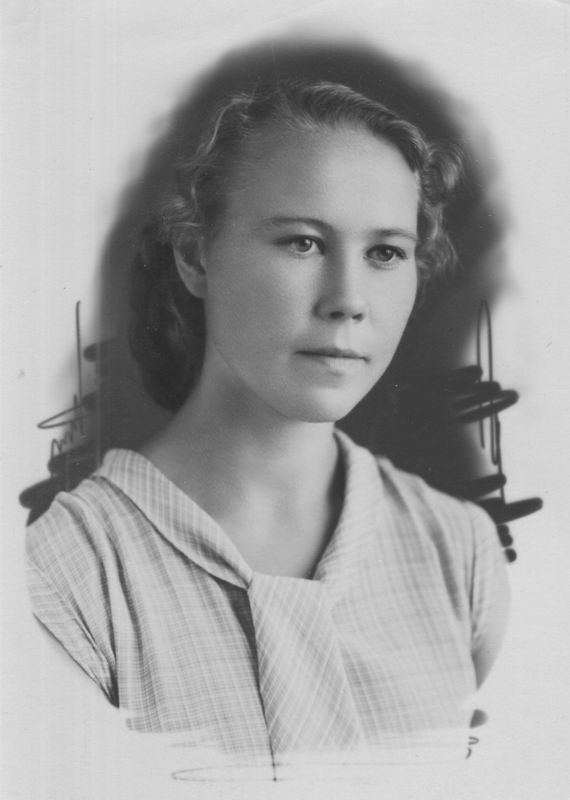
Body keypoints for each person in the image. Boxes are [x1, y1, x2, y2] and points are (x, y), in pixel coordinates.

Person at [26, 74, 509, 776]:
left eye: (385, 253)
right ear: (195, 256)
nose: (348, 301)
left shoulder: (461, 554)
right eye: (303, 243)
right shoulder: (65, 577)